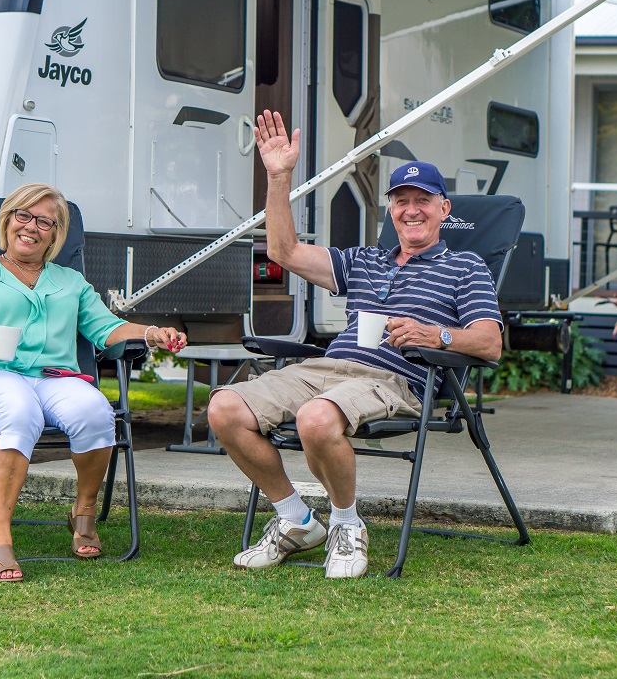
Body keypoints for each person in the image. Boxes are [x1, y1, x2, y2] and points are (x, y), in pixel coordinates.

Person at [207, 110, 502, 579]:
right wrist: (278, 177)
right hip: (328, 368)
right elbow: (284, 252)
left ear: (444, 209)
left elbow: (490, 342)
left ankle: (346, 524)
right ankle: (295, 519)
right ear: (391, 211)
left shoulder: (466, 268)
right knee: (224, 409)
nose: (411, 210)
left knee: (316, 419)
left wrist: (437, 335)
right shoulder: (363, 260)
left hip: (395, 378)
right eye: (401, 201)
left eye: (423, 200)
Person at [0, 183, 186, 582]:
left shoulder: (70, 282)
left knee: (95, 411)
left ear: (55, 234)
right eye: (23, 216)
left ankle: (83, 512)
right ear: (7, 221)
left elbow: (107, 328)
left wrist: (152, 333)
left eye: (44, 221)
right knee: (18, 407)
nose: (31, 227)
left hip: (53, 378)